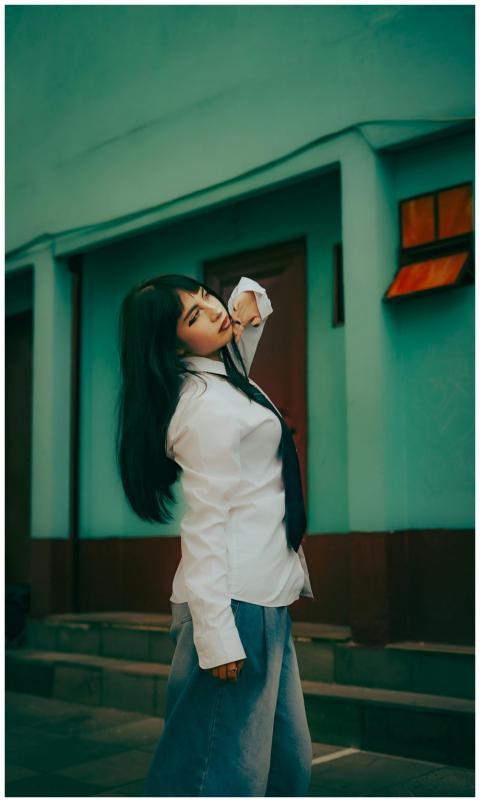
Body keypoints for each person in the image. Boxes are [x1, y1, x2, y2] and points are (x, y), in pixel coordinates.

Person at [115, 273, 315, 796]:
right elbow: (204, 527)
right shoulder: (202, 406)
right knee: (214, 777)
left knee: (284, 767)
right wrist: (216, 634)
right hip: (235, 605)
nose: (212, 309)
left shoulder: (223, 377)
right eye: (193, 315)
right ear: (173, 343)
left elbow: (244, 326)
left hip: (263, 598)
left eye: (204, 295)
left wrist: (247, 302)